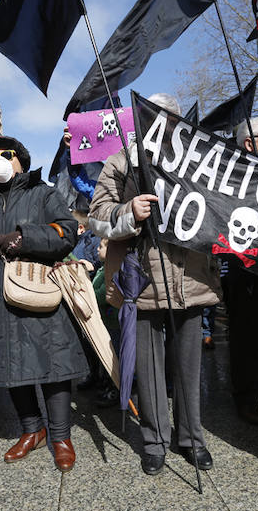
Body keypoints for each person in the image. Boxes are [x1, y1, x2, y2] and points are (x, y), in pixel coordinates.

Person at [89, 94, 222, 476]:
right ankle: (154, 441)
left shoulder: (200, 160)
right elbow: (96, 217)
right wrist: (128, 212)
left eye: (169, 116)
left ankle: (191, 440)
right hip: (142, 282)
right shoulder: (120, 162)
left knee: (189, 370)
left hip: (191, 280)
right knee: (147, 371)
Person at [0, 136, 87, 472]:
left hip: (37, 289)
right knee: (11, 365)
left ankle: (60, 436)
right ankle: (32, 430)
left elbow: (67, 232)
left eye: (6, 154)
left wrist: (25, 238)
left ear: (21, 160)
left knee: (53, 362)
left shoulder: (43, 193)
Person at [223, 117, 258, 426]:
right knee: (247, 332)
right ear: (250, 143)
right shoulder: (231, 174)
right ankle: (245, 395)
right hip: (245, 264)